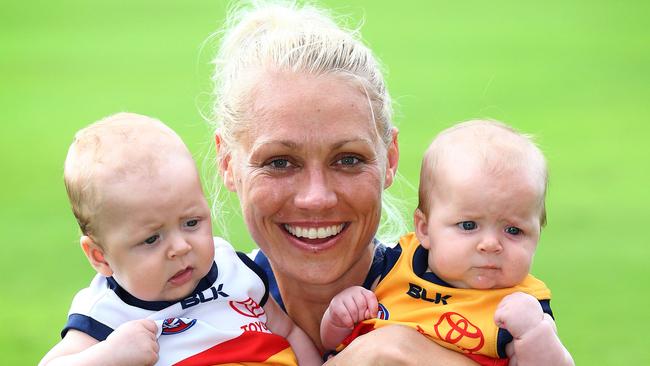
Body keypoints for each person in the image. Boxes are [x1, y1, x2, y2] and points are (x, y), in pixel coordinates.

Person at [210, 1, 479, 364]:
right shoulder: (173, 319)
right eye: (279, 162)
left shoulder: (472, 295)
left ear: (391, 158)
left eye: (348, 160)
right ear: (227, 162)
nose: (316, 198)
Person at [39, 113, 321, 366]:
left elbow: (288, 332)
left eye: (191, 223)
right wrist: (109, 356)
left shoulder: (232, 268)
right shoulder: (108, 312)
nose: (180, 247)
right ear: (100, 257)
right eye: (151, 239)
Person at [319, 120, 575, 365]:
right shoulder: (394, 266)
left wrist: (533, 334)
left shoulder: (520, 305)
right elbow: (333, 343)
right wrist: (339, 316)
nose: (490, 244)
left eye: (513, 230)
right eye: (468, 225)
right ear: (425, 229)